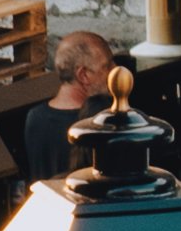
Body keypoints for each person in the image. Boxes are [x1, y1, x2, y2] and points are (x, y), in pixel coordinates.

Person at [14, 28, 115, 181]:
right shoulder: (98, 122)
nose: (115, 70)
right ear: (84, 75)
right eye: (107, 66)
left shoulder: (34, 117)